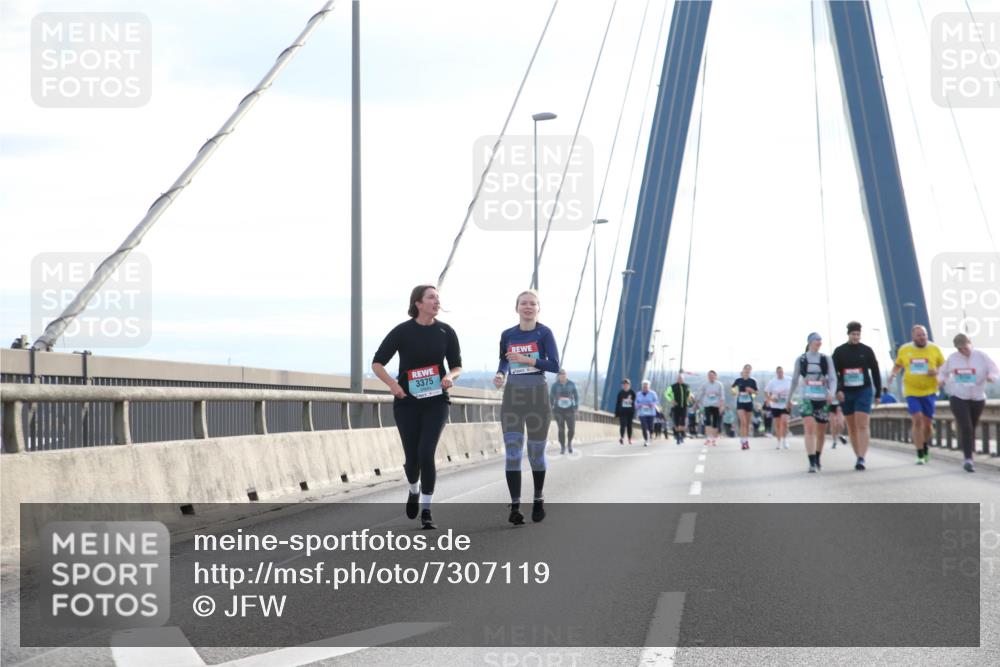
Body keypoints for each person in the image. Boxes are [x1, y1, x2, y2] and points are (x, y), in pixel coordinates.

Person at [372, 285, 463, 529]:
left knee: (426, 452)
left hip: (436, 402)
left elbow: (456, 365)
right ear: (418, 304)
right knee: (412, 459)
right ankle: (413, 489)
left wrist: (450, 377)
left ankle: (426, 510)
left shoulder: (446, 331)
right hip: (407, 403)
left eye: (438, 298)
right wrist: (392, 385)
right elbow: (377, 363)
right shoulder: (402, 331)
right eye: (431, 297)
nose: (436, 301)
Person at [494, 290, 560, 525]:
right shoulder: (508, 334)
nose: (528, 307)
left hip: (537, 398)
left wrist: (528, 360)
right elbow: (504, 358)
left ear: (538, 308)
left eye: (533, 303)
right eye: (524, 303)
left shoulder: (544, 333)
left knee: (535, 454)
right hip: (513, 396)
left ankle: (538, 497)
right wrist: (501, 373)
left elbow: (554, 365)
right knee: (512, 453)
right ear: (517, 308)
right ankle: (514, 505)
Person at [937, 333, 999, 472]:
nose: (963, 351)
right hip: (958, 396)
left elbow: (994, 370)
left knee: (972, 426)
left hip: (977, 398)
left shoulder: (981, 356)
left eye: (965, 347)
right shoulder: (952, 359)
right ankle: (968, 459)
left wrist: (991, 377)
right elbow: (942, 372)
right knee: (966, 427)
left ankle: (968, 453)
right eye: (959, 349)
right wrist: (940, 380)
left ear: (970, 344)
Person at [888, 325, 945, 465]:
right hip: (911, 391)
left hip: (929, 391)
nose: (922, 337)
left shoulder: (934, 349)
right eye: (919, 335)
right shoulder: (905, 349)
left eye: (924, 334)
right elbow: (898, 365)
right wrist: (893, 374)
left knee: (927, 424)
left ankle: (925, 445)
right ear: (913, 337)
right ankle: (919, 453)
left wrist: (936, 372)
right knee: (917, 419)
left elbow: (944, 367)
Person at [832, 321, 882, 471]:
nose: (855, 337)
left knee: (862, 423)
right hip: (846, 392)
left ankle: (862, 457)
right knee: (852, 426)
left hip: (864, 390)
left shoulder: (866, 350)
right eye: (853, 334)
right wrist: (838, 390)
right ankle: (857, 455)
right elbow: (834, 374)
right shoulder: (839, 351)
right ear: (848, 334)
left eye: (858, 334)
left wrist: (878, 392)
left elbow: (875, 371)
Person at [788, 333, 837, 473]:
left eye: (821, 340)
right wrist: (789, 399)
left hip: (822, 398)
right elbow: (794, 380)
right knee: (809, 428)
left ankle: (817, 457)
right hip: (806, 397)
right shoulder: (801, 359)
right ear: (809, 342)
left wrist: (831, 393)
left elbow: (833, 378)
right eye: (817, 340)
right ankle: (811, 462)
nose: (819, 342)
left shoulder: (826, 359)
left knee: (821, 431)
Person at [549, 369, 579, 455]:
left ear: (566, 375)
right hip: (559, 410)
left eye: (564, 374)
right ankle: (562, 446)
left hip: (570, 410)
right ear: (558, 376)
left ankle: (569, 443)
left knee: (572, 429)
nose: (562, 375)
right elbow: (551, 397)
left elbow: (576, 396)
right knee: (561, 429)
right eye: (561, 374)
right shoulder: (555, 386)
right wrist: (551, 407)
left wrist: (576, 407)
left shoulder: (571, 384)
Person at [695, 370, 726, 446]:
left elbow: (722, 396)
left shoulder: (719, 385)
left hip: (716, 405)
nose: (711, 377)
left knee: (715, 423)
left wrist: (721, 406)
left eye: (712, 375)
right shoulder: (705, 385)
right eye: (709, 376)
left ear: (715, 376)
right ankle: (708, 438)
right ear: (707, 377)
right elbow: (700, 394)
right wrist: (697, 403)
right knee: (707, 421)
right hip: (707, 405)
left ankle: (714, 439)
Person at [731, 364, 758, 450]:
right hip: (740, 403)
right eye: (746, 370)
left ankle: (745, 440)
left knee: (747, 423)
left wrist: (751, 391)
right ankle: (743, 441)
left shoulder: (753, 381)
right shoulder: (738, 380)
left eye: (749, 370)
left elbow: (756, 393)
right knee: (743, 422)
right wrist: (735, 392)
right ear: (743, 370)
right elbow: (732, 389)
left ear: (750, 371)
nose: (747, 371)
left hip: (749, 403)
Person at [765, 366, 792, 449]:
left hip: (786, 404)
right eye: (778, 372)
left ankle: (785, 440)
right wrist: (771, 399)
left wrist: (791, 400)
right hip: (775, 405)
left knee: (785, 422)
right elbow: (766, 392)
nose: (780, 373)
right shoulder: (772, 382)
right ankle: (778, 442)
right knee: (778, 424)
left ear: (783, 372)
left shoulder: (789, 380)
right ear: (776, 373)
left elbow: (793, 389)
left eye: (781, 372)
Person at [635, 380, 660, 446]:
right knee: (644, 426)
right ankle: (646, 440)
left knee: (651, 427)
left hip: (651, 413)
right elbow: (635, 402)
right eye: (644, 386)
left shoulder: (653, 393)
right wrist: (638, 405)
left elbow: (657, 401)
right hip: (642, 413)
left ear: (649, 387)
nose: (645, 388)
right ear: (642, 387)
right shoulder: (638, 394)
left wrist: (652, 404)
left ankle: (651, 434)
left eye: (646, 386)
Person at [670, 371, 692, 445]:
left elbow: (689, 394)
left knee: (682, 423)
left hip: (684, 407)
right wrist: (671, 400)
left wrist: (689, 399)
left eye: (681, 378)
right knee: (676, 423)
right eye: (679, 378)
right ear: (677, 379)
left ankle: (681, 435)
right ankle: (678, 435)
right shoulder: (673, 386)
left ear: (683, 379)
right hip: (676, 407)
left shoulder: (687, 386)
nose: (680, 379)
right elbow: (666, 394)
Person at [614, 379, 637, 445]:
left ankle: (629, 439)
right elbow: (618, 403)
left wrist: (634, 410)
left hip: (630, 412)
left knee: (629, 425)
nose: (625, 385)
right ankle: (622, 437)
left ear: (629, 385)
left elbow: (635, 402)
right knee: (622, 425)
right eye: (623, 384)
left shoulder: (632, 393)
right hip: (622, 412)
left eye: (626, 384)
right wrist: (616, 413)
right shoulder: (620, 393)